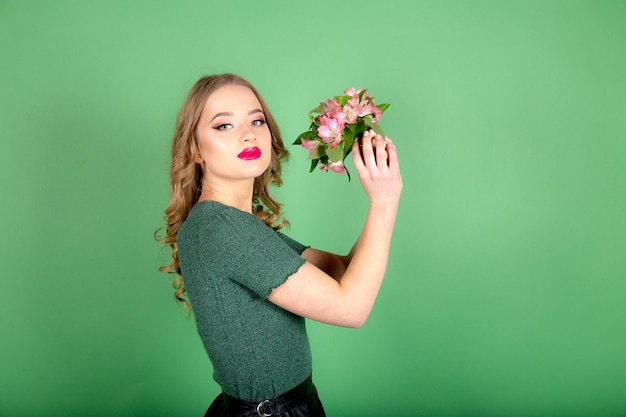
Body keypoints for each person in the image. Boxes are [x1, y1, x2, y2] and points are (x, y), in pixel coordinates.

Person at [156, 73, 402, 417]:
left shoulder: (241, 225)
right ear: (196, 149)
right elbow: (352, 308)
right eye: (223, 126)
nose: (248, 133)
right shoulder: (219, 227)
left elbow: (344, 271)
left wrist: (376, 186)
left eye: (257, 120)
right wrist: (385, 201)